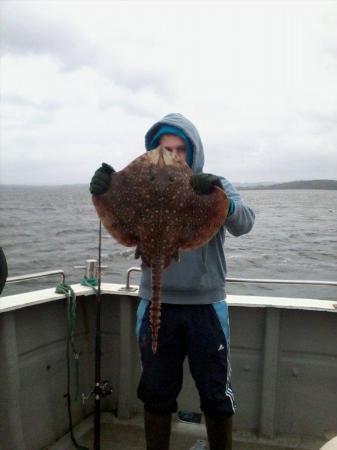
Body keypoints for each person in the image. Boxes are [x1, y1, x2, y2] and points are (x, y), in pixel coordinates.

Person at [90, 113, 255, 450]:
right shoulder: (138, 187)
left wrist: (218, 195)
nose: (174, 157)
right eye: (166, 149)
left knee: (215, 393)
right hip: (155, 303)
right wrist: (106, 189)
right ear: (153, 151)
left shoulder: (213, 183)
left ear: (193, 151)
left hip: (205, 307)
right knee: (156, 391)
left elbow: (245, 222)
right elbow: (115, 212)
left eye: (181, 150)